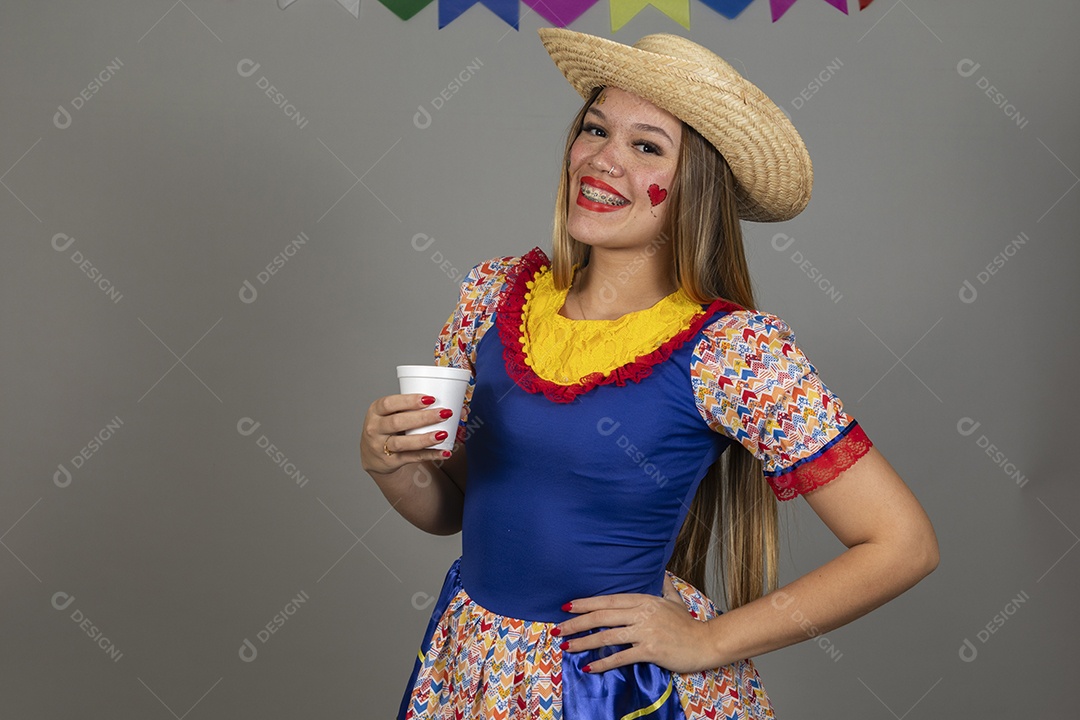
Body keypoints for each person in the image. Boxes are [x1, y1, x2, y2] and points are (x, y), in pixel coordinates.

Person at [361, 27, 939, 720]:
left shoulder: (732, 352)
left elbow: (902, 545)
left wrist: (710, 640)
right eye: (595, 129)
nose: (602, 160)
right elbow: (455, 511)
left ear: (695, 186)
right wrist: (392, 466)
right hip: (474, 665)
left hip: (610, 687)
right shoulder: (493, 299)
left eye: (645, 147)